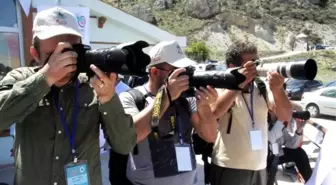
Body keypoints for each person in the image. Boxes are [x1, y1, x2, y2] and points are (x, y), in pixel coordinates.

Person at [0, 7, 136, 185]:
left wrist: (109, 99)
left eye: (72, 53)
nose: (65, 63)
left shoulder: (93, 85)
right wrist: (45, 78)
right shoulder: (20, 78)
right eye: (53, 56)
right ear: (35, 53)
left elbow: (125, 145)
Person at [119, 40, 218, 185]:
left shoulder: (186, 98)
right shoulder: (131, 97)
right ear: (154, 71)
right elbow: (133, 135)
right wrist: (167, 96)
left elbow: (210, 136)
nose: (183, 77)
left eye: (184, 70)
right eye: (175, 72)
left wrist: (204, 107)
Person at [210, 40, 292, 185]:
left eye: (257, 62)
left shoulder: (261, 87)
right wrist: (238, 83)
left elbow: (285, 116)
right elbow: (213, 113)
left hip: (260, 167)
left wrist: (278, 89)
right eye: (251, 63)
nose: (256, 67)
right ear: (233, 67)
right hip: (229, 166)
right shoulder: (220, 85)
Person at [267, 103, 312, 185]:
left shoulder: (279, 124)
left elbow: (292, 146)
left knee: (299, 153)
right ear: (269, 111)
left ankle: (311, 181)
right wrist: (282, 118)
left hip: (277, 154)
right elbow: (271, 139)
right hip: (265, 157)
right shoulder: (264, 122)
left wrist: (299, 130)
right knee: (273, 164)